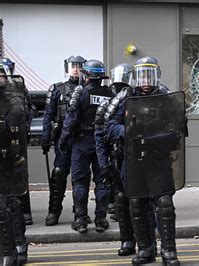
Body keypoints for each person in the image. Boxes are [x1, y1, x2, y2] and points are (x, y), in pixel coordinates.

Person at [107, 56, 182, 265]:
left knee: (164, 203)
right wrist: (127, 131)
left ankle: (169, 251)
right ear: (135, 77)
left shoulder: (166, 96)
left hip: (159, 159)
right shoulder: (125, 97)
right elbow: (109, 124)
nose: (146, 81)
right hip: (133, 160)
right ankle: (146, 249)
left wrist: (157, 135)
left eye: (149, 75)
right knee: (137, 203)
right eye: (142, 76)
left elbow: (178, 126)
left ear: (156, 76)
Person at [58, 59, 112, 234]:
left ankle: (81, 221)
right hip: (102, 143)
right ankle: (101, 220)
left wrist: (63, 140)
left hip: (81, 142)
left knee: (80, 182)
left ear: (86, 75)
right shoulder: (109, 94)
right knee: (101, 181)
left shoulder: (80, 92)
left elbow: (71, 119)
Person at [96, 63, 136, 255]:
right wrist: (103, 163)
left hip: (140, 157)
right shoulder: (108, 104)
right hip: (117, 156)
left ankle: (145, 241)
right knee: (121, 200)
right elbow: (100, 134)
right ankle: (127, 240)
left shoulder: (138, 98)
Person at [42, 55, 86, 226]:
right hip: (62, 139)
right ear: (67, 68)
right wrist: (45, 138)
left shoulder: (87, 89)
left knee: (80, 177)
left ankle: (80, 211)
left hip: (81, 139)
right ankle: (54, 211)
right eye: (73, 65)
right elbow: (48, 115)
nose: (76, 69)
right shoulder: (57, 89)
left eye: (79, 66)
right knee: (59, 174)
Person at [0, 58, 30, 265]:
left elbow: (16, 128)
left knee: (9, 205)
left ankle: (16, 248)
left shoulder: (14, 101)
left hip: (9, 159)